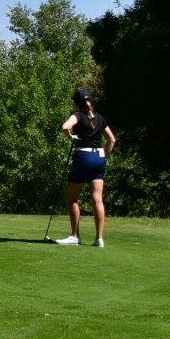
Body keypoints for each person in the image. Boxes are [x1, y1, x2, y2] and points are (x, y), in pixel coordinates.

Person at [55, 87, 116, 247]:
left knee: (72, 198)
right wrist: (104, 156)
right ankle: (99, 239)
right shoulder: (99, 118)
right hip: (98, 157)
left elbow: (64, 127)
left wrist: (72, 137)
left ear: (76, 103)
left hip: (83, 156)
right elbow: (112, 140)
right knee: (97, 199)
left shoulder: (77, 115)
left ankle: (75, 236)